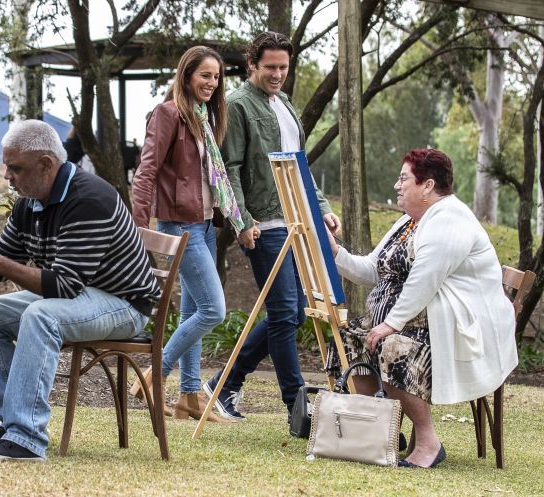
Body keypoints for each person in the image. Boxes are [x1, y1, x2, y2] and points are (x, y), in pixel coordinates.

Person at [0, 120, 160, 462]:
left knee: (40, 314)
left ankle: (26, 439)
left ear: (46, 164)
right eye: (7, 166)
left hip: (124, 304)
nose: (7, 176)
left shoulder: (89, 199)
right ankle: (11, 425)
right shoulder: (30, 201)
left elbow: (64, 285)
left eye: (15, 168)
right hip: (78, 295)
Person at [325, 148, 517, 468]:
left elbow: (425, 280)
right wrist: (334, 252)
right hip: (420, 320)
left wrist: (390, 324)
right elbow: (372, 269)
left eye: (404, 179)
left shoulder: (449, 219)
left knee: (392, 346)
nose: (397, 186)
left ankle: (428, 442)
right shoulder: (408, 222)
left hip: (459, 329)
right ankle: (379, 428)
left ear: (427, 186)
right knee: (347, 336)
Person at [203, 32, 341, 422]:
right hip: (264, 224)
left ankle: (223, 385)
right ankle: (297, 408)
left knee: (293, 314)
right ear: (252, 65)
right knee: (284, 314)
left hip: (298, 219)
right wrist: (242, 221)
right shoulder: (237, 105)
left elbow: (298, 165)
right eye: (271, 67)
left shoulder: (285, 105)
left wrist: (322, 207)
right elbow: (226, 170)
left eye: (283, 66)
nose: (278, 73)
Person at [131, 46, 244, 421]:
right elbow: (146, 172)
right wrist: (139, 227)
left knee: (195, 309)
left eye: (216, 77)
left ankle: (190, 396)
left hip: (204, 224)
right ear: (186, 75)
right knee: (213, 309)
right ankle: (155, 374)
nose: (211, 83)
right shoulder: (167, 115)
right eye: (205, 75)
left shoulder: (202, 118)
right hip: (179, 226)